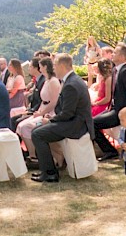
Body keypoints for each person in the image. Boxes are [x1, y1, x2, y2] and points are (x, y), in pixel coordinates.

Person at [30, 53, 94, 183]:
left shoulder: (71, 84)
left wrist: (50, 120)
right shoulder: (72, 80)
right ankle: (50, 169)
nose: (53, 68)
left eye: (54, 65)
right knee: (38, 130)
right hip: (73, 121)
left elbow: (68, 113)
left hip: (76, 125)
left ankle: (50, 173)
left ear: (62, 66)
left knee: (37, 134)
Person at [93, 44, 126, 161]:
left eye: (115, 53)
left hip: (121, 111)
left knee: (93, 123)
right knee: (91, 121)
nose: (112, 55)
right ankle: (109, 150)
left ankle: (109, 151)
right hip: (113, 108)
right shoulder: (116, 71)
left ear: (121, 56)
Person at [17, 56, 60, 160]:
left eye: (40, 66)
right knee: (20, 126)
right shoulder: (47, 80)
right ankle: (32, 153)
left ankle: (35, 155)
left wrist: (41, 114)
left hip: (51, 113)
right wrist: (38, 112)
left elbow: (54, 101)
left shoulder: (54, 81)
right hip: (43, 110)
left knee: (26, 127)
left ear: (45, 67)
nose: (39, 68)